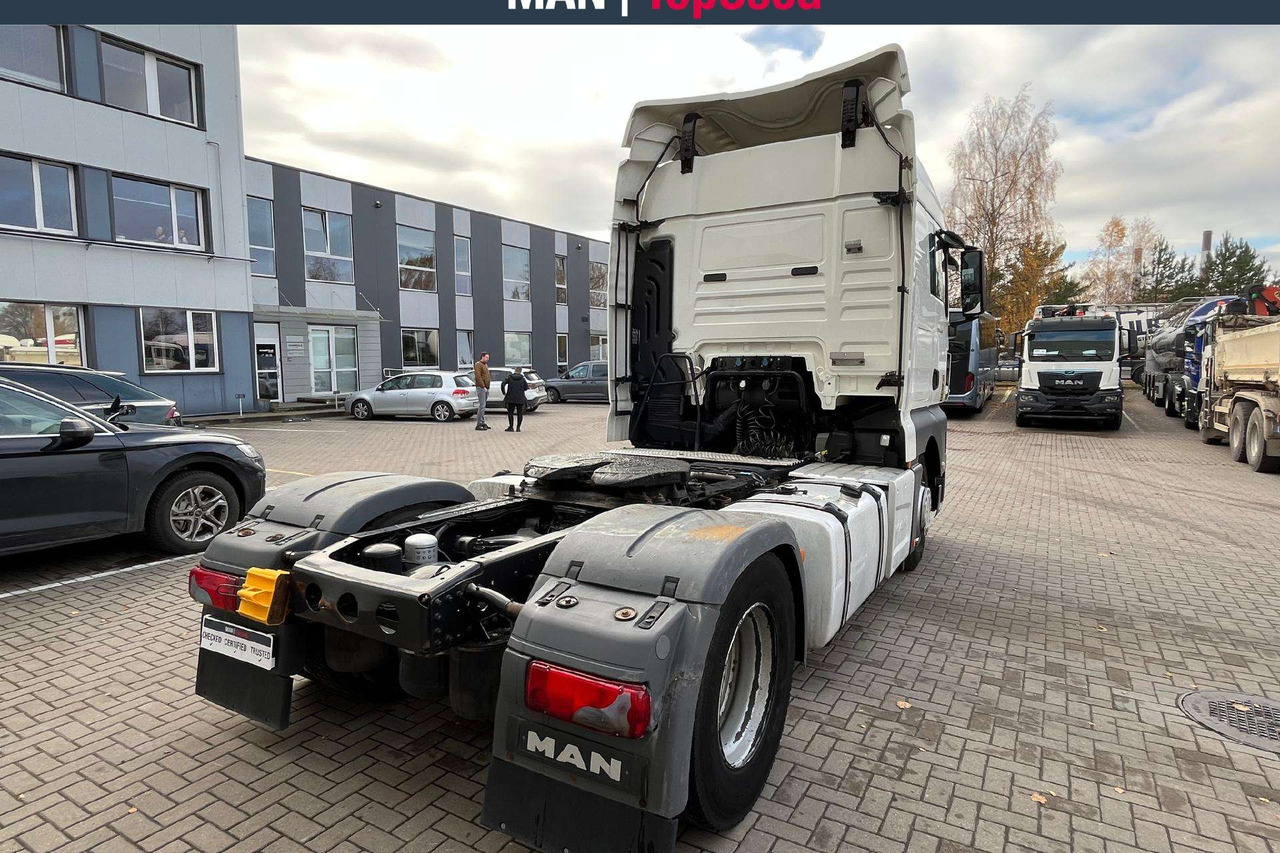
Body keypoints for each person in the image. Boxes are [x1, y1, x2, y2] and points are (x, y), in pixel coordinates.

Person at [502, 366, 529, 432]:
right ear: (520, 371)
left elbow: (503, 384)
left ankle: (511, 427)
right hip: (520, 398)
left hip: (510, 397)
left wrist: (504, 392)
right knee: (519, 413)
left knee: (510, 412)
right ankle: (518, 428)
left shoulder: (509, 377)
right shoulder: (523, 379)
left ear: (515, 371)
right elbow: (526, 387)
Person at [474, 352, 492, 431]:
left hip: (486, 387)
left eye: (488, 357)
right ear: (483, 357)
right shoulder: (478, 364)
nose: (488, 359)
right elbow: (478, 376)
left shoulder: (485, 365)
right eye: (486, 357)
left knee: (483, 406)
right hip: (481, 388)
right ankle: (478, 424)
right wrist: (483, 386)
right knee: (482, 406)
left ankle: (482, 422)